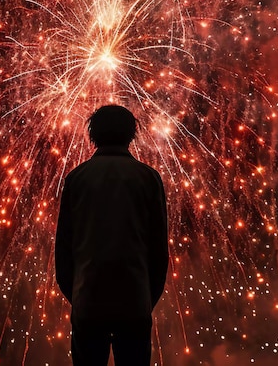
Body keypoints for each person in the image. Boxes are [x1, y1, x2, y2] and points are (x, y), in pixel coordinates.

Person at [55, 104, 169, 366]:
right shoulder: (149, 178)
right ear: (132, 134)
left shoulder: (77, 178)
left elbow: (63, 252)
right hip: (134, 301)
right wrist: (144, 299)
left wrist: (78, 297)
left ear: (93, 135)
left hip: (88, 301)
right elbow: (158, 252)